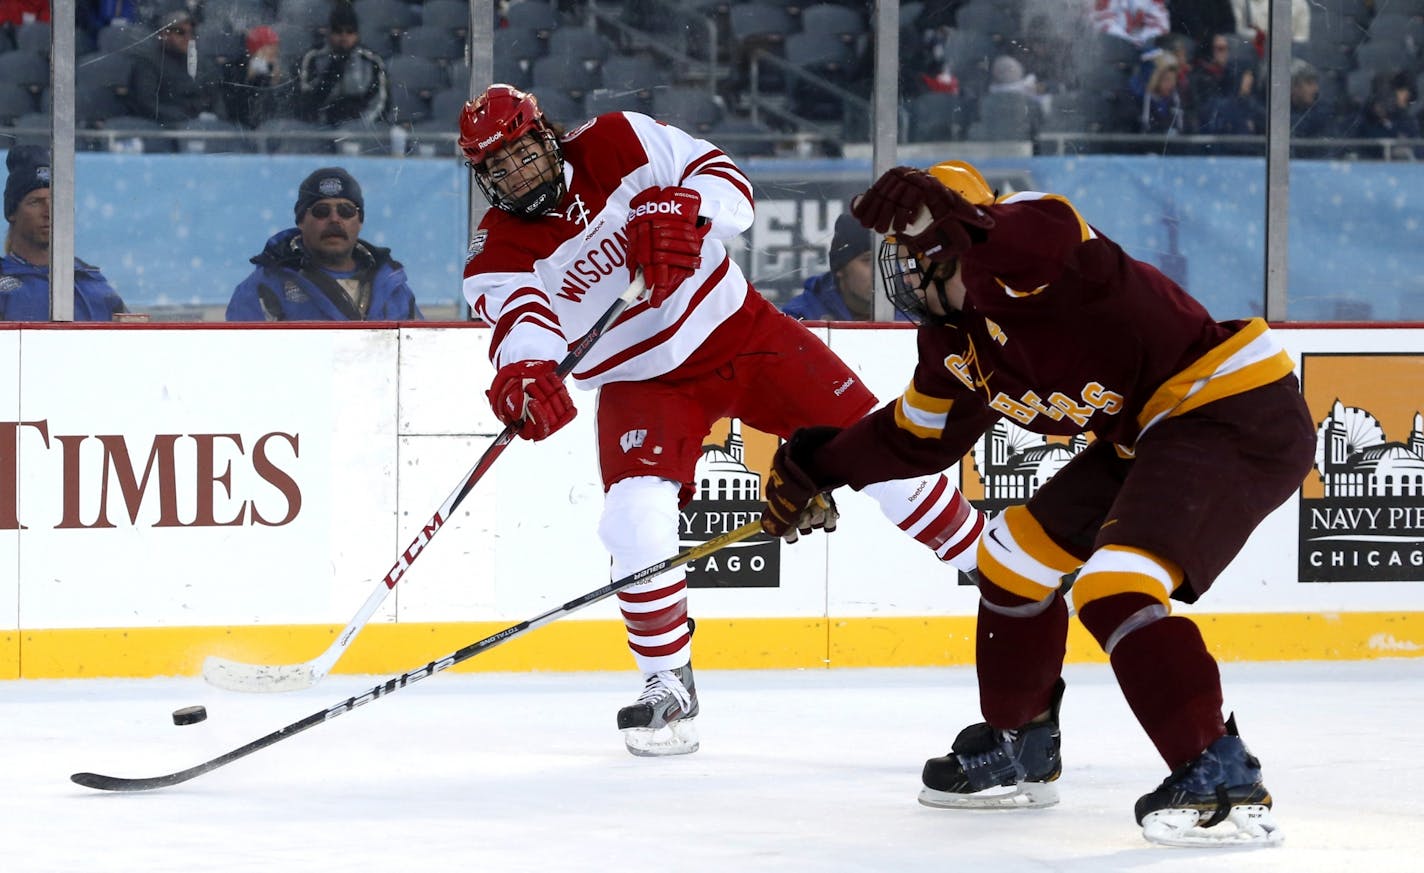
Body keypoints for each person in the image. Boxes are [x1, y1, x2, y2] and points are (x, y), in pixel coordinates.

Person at [758, 161, 1314, 847]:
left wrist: (961, 223)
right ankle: (1021, 747)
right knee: (1011, 557)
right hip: (1145, 435)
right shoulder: (952, 340)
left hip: (1232, 408)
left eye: (922, 254)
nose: (908, 275)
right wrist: (820, 461)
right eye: (901, 257)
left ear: (960, 242)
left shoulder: (1044, 251)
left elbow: (1035, 231)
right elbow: (917, 437)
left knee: (1115, 585)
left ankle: (1222, 779)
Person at [458, 84, 985, 758]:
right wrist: (524, 373)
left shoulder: (619, 140)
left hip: (741, 332)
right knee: (633, 517)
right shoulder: (494, 254)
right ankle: (667, 683)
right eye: (495, 168)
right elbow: (520, 324)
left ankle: (990, 560)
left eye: (521, 153)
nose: (514, 173)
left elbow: (728, 183)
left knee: (884, 453)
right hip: (641, 381)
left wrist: (684, 206)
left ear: (546, 135)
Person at [226, 167, 423, 321]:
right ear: (301, 221)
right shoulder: (264, 288)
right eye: (321, 211)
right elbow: (246, 364)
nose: (335, 219)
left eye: (346, 211)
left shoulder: (392, 287)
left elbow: (420, 359)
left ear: (360, 221)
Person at [1, 147, 127, 322]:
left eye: (54, 201)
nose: (48, 211)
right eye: (35, 202)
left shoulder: (90, 280)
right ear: (12, 212)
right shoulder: (3, 284)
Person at [782, 212, 891, 321]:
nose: (881, 271)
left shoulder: (906, 310)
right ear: (840, 267)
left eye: (888, 259)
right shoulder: (800, 318)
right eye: (868, 260)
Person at [126, 6, 224, 127]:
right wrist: (186, 118)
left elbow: (216, 101)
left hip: (200, 128)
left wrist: (218, 120)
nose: (188, 37)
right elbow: (147, 104)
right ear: (164, 34)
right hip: (164, 130)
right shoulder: (148, 62)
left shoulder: (201, 62)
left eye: (191, 32)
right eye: (180, 32)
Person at [298, 4, 389, 127]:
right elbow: (306, 102)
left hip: (361, 129)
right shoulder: (312, 58)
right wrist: (334, 68)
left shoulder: (371, 60)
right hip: (320, 127)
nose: (344, 37)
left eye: (350, 31)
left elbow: (381, 103)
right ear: (329, 32)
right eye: (338, 31)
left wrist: (360, 126)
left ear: (357, 34)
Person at [225, 25, 298, 129]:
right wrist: (250, 77)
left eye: (276, 47)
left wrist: (275, 80)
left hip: (273, 127)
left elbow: (283, 107)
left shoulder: (283, 74)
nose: (275, 51)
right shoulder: (237, 71)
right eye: (269, 47)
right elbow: (235, 105)